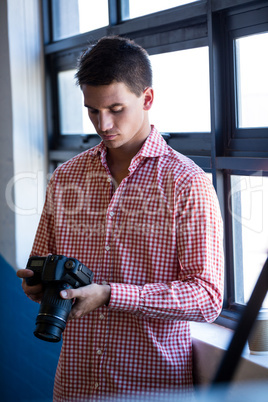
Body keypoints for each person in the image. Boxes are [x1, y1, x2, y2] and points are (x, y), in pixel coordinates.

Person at [17, 36, 224, 401]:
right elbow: (42, 265)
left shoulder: (186, 183)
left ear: (147, 99)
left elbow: (206, 297)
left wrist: (112, 295)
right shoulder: (66, 178)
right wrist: (36, 286)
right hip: (75, 385)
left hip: (152, 387)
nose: (103, 123)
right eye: (92, 110)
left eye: (115, 108)